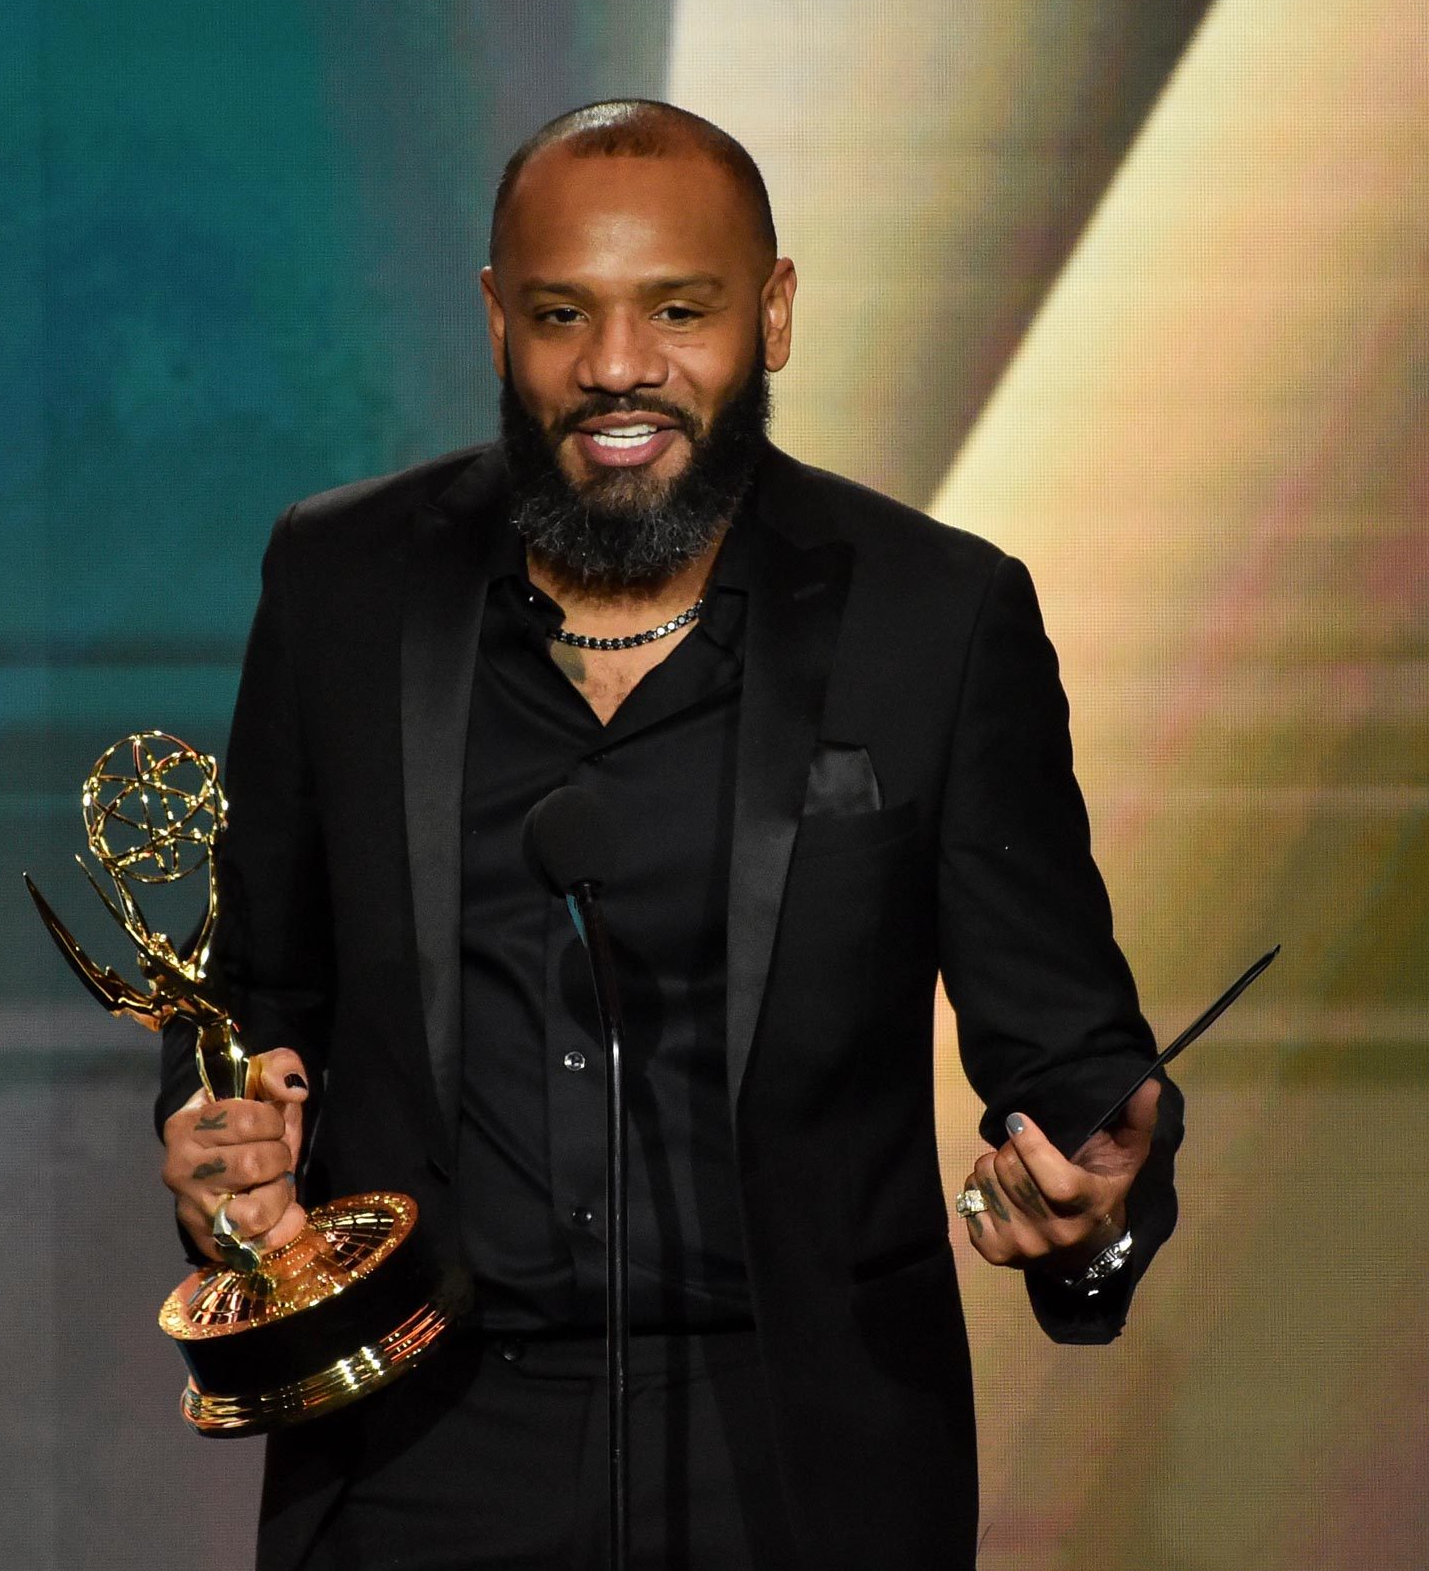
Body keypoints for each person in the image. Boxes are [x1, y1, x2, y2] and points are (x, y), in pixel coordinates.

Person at [156, 100, 1183, 1571]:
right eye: (563, 313)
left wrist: (1092, 1205)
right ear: (498, 320)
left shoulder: (935, 615)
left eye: (679, 310)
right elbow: (256, 992)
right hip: (419, 1445)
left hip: (796, 1456)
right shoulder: (342, 583)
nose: (618, 368)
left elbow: (1075, 1056)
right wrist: (216, 1159)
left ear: (770, 314)